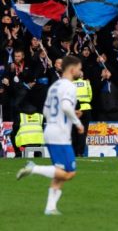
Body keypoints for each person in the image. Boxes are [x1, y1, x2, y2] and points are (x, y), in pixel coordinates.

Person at [17, 56, 85, 215]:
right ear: (72, 69)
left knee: (60, 173)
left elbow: (47, 111)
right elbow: (66, 106)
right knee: (69, 173)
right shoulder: (69, 86)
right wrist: (77, 122)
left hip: (51, 130)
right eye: (79, 68)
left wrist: (64, 115)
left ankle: (50, 207)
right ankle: (34, 168)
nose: (81, 72)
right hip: (60, 134)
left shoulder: (54, 86)